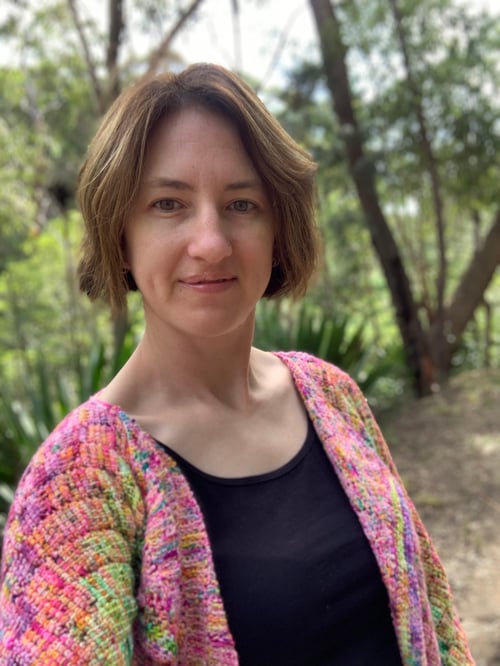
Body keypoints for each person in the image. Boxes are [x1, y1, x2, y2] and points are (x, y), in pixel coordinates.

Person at [0, 63, 473, 665]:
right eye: (168, 203)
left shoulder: (330, 393)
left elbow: (431, 612)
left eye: (242, 203)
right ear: (121, 234)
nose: (212, 242)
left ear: (279, 227)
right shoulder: (79, 481)